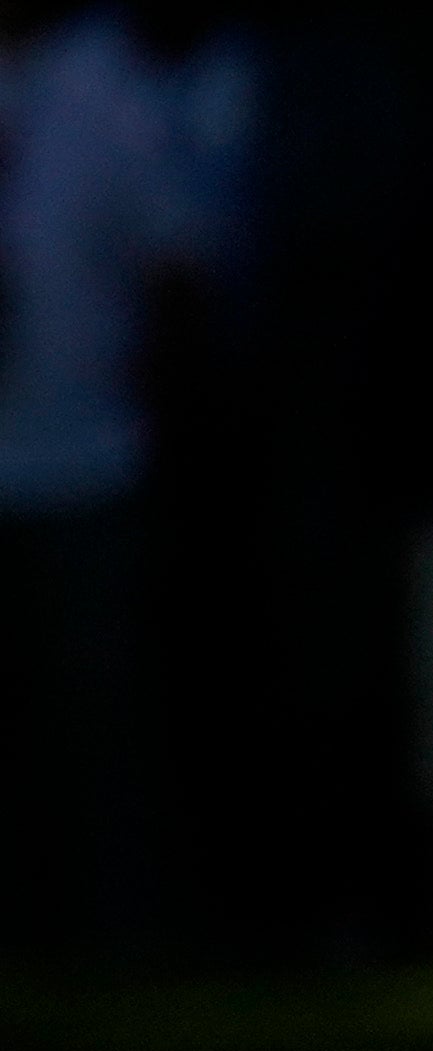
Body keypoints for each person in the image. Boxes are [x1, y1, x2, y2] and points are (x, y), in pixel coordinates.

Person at [0, 0, 226, 953]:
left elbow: (179, 267)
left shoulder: (114, 86)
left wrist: (172, 449)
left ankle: (125, 947)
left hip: (92, 465)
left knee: (105, 731)